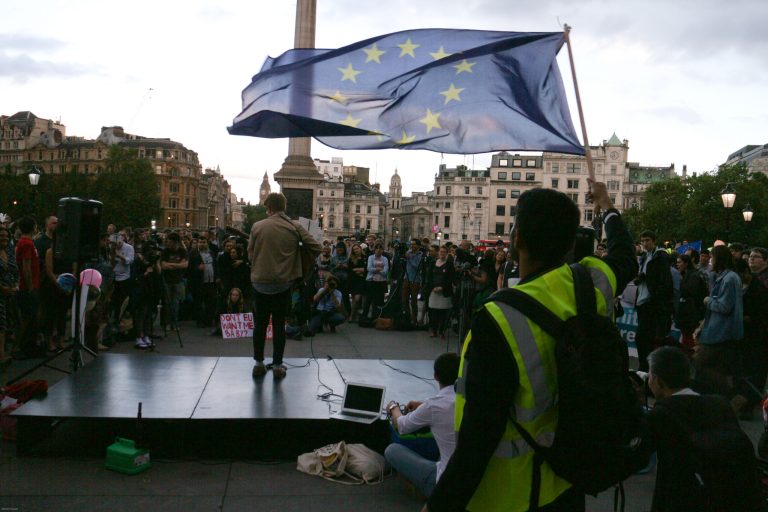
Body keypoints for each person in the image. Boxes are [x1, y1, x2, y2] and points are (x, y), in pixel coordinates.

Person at [426, 181, 636, 512]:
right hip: (568, 481)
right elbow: (625, 255)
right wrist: (607, 205)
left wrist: (438, 505)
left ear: (517, 238)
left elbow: (478, 438)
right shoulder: (592, 284)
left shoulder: (498, 318)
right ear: (570, 243)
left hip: (510, 496)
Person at [642, 346, 761, 512]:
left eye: (649, 376)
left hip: (683, 500)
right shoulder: (720, 404)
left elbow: (637, 456)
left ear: (656, 380)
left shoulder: (663, 413)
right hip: (731, 499)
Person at [248, 192, 321, 379]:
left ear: (269, 208)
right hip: (283, 283)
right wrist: (298, 258)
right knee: (279, 325)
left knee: (260, 324)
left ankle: (258, 363)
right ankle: (278, 366)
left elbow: (250, 255)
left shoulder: (257, 226)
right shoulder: (294, 226)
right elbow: (316, 247)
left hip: (260, 282)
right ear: (284, 207)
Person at [385, 352, 460, 499]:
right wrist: (422, 405)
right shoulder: (471, 400)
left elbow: (402, 426)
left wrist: (393, 408)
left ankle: (425, 489)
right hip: (472, 479)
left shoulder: (433, 406)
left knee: (392, 450)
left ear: (435, 376)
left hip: (445, 483)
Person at [693, 245, 744, 405]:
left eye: (712, 258)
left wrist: (708, 301)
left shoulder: (729, 279)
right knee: (715, 368)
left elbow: (724, 306)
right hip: (717, 330)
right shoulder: (724, 276)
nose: (710, 261)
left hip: (721, 332)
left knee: (700, 364)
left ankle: (732, 396)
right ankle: (717, 402)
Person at [635, 230, 674, 371]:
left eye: (647, 240)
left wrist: (656, 297)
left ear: (653, 241)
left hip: (651, 303)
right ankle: (645, 368)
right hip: (642, 301)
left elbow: (664, 281)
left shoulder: (660, 256)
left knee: (644, 338)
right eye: (642, 241)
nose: (645, 243)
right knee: (643, 339)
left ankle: (647, 369)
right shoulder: (645, 256)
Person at [14, 216, 42, 358]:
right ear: (33, 227)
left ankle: (27, 346)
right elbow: (26, 267)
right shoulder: (26, 244)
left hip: (29, 286)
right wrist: (30, 287)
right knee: (27, 318)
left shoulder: (27, 242)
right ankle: (19, 348)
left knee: (30, 318)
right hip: (27, 287)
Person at [674, 253, 707, 352]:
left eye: (679, 262)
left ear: (686, 263)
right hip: (687, 315)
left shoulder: (693, 276)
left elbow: (690, 294)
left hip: (690, 315)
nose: (677, 265)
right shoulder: (687, 275)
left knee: (689, 341)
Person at [160, 232, 188, 332]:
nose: (168, 243)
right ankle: (167, 323)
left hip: (178, 280)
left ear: (175, 242)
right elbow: (163, 266)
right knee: (167, 303)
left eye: (170, 242)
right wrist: (178, 265)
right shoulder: (165, 251)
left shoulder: (182, 251)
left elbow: (185, 265)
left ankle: (174, 322)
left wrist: (170, 265)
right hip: (167, 280)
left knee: (176, 303)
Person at [425, 246, 454, 340]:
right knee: (433, 312)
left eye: (444, 252)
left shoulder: (450, 264)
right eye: (441, 252)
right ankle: (434, 330)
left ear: (447, 253)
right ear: (439, 252)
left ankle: (441, 331)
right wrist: (433, 287)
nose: (442, 254)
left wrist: (442, 287)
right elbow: (429, 276)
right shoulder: (432, 263)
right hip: (433, 290)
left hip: (444, 291)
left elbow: (450, 278)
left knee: (443, 313)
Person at [0, 225, 19, 365]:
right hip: (1, 292)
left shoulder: (9, 251)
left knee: (9, 323)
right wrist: (2, 288)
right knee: (1, 324)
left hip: (10, 293)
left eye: (6, 236)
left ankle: (6, 352)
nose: (4, 238)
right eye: (1, 236)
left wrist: (16, 285)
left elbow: (16, 270)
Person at [362, 243, 389, 321]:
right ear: (374, 250)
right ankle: (364, 317)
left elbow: (385, 271)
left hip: (381, 282)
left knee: (379, 300)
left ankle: (377, 317)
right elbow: (369, 268)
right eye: (377, 248)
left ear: (382, 250)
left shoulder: (385, 259)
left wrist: (376, 269)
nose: (378, 250)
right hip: (371, 281)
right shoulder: (370, 257)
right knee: (368, 299)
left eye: (380, 248)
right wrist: (379, 269)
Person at [402, 239, 423, 323]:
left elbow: (418, 266)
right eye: (411, 244)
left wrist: (409, 259)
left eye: (414, 244)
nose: (412, 246)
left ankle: (414, 319)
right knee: (404, 299)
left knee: (414, 300)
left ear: (418, 246)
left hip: (415, 279)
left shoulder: (420, 255)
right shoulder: (408, 252)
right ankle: (407, 317)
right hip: (406, 278)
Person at [347, 244, 367, 322]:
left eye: (357, 248)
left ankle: (353, 315)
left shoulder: (365, 258)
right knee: (354, 299)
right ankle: (353, 316)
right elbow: (350, 270)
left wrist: (358, 269)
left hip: (362, 281)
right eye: (354, 249)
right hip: (354, 281)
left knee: (357, 299)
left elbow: (366, 268)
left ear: (360, 249)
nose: (356, 250)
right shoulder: (351, 259)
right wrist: (359, 270)